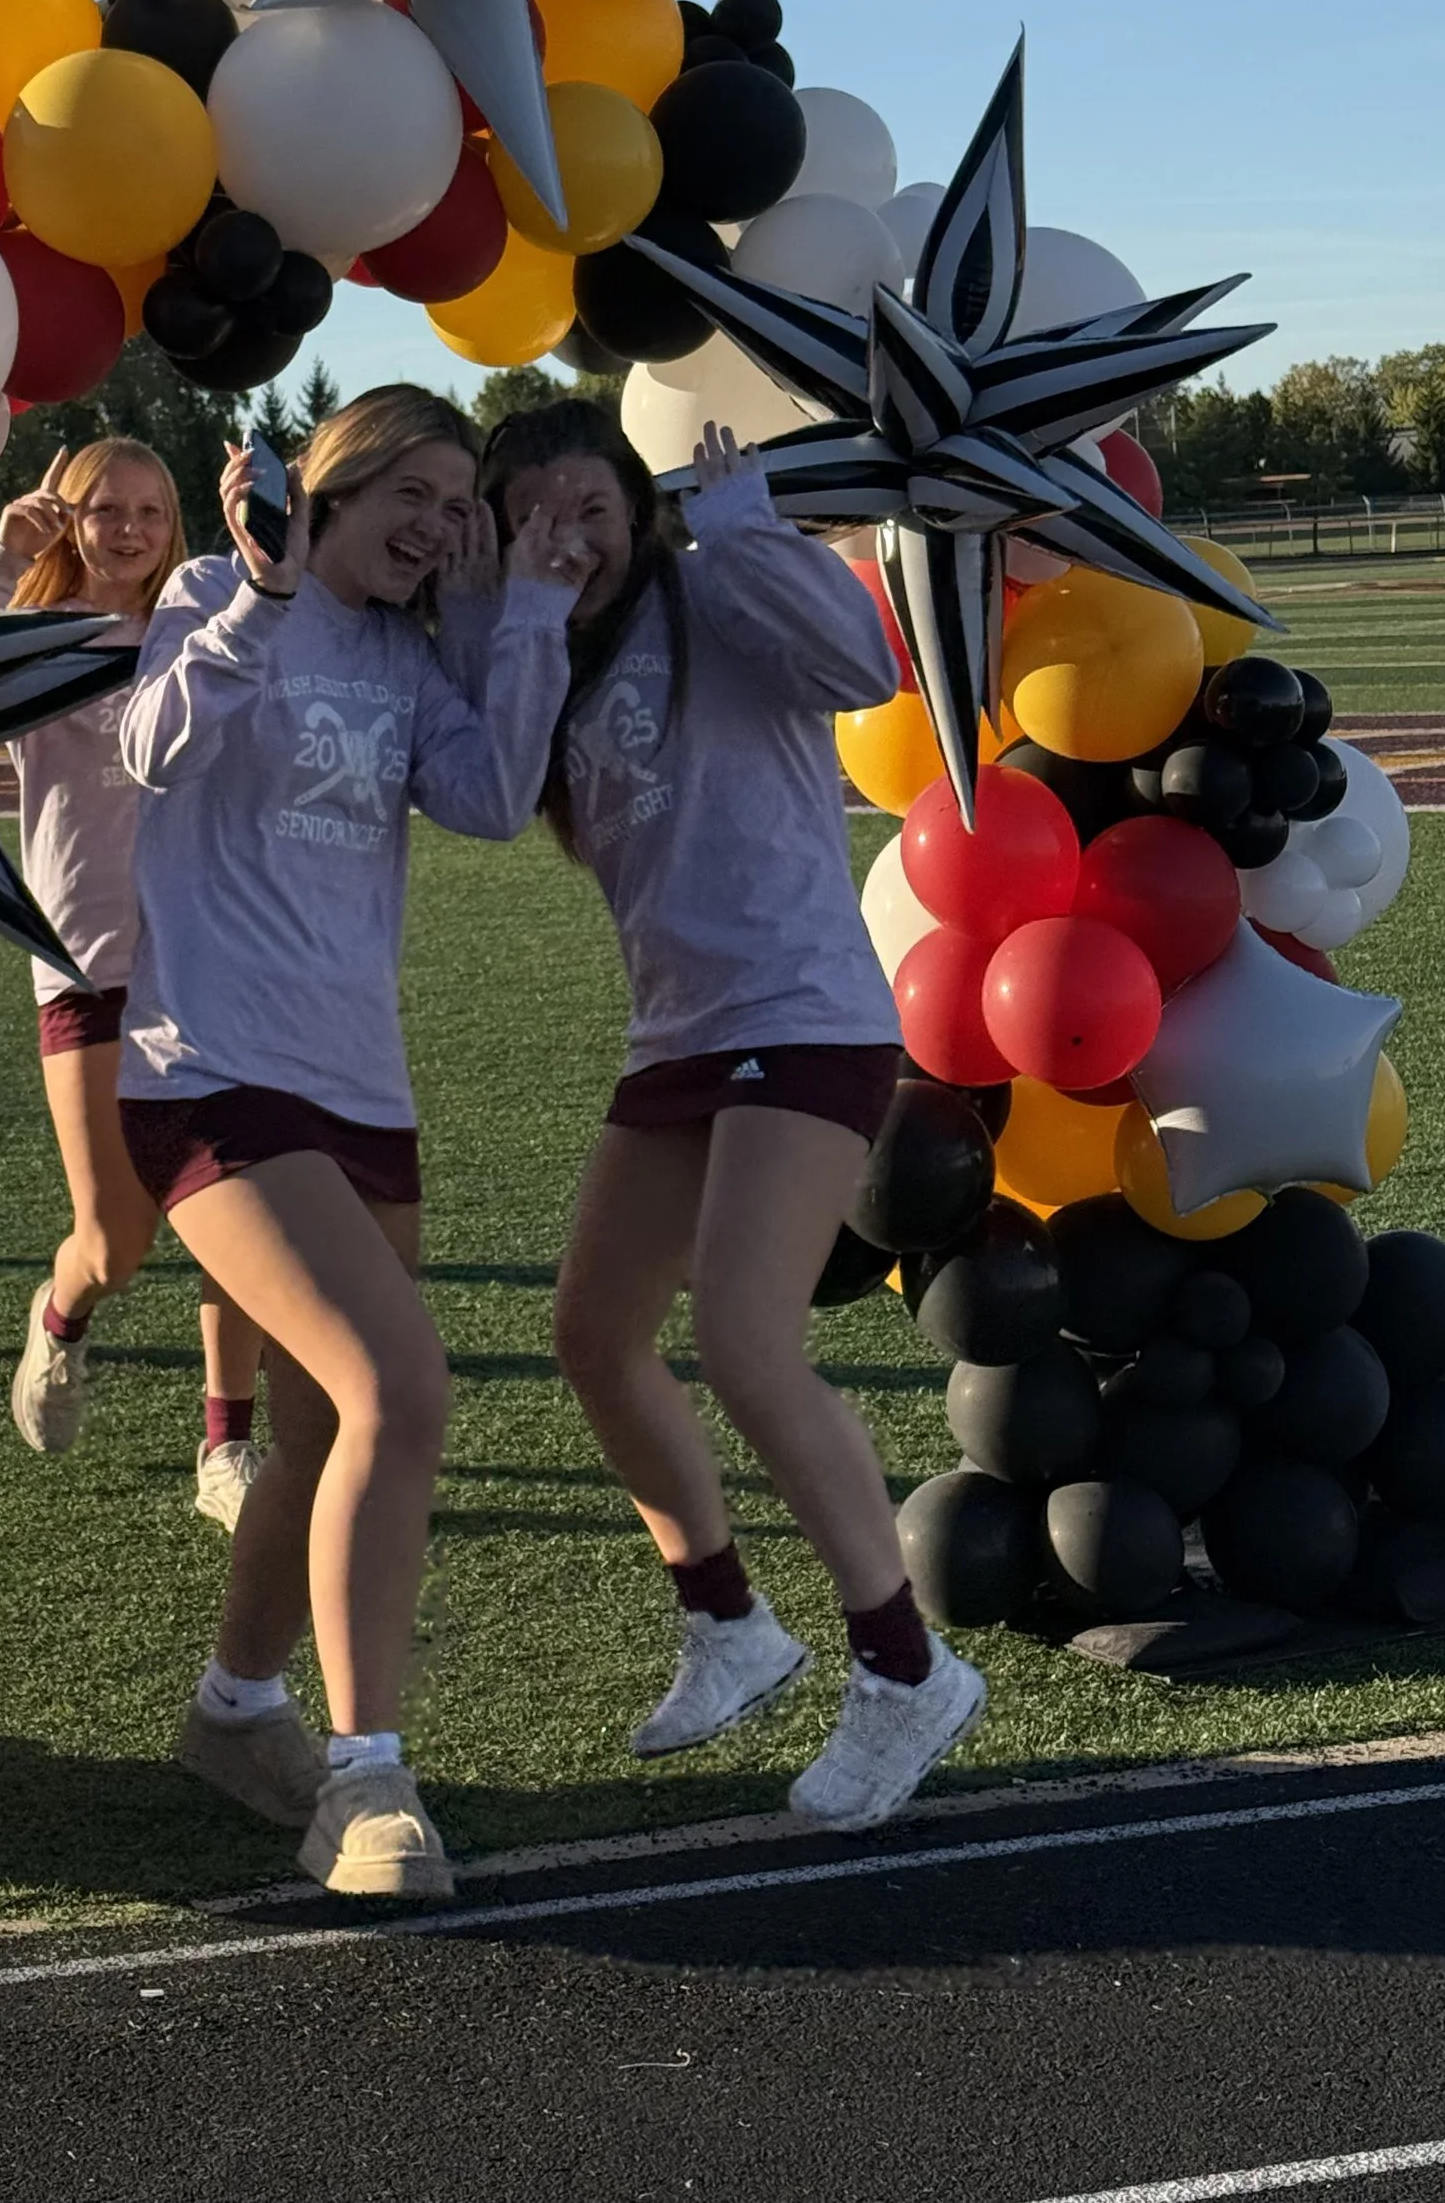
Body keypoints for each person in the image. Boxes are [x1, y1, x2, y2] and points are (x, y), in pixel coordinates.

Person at [475, 396, 985, 1835]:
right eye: (538, 516)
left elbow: (856, 660)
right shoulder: (551, 653)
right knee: (591, 1334)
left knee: (746, 1341)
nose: (568, 538)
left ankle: (906, 1667)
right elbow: (491, 787)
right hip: (683, 1037)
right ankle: (729, 1626)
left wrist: (747, 528)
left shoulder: (708, 590)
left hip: (804, 1018)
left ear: (639, 511)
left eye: (591, 508)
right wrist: (521, 605)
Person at [119, 385, 592, 1901]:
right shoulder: (214, 591)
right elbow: (148, 747)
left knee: (329, 1423)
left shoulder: (409, 653)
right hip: (210, 1072)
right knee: (399, 1384)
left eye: (461, 510)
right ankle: (365, 1778)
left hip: (360, 1089)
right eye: (424, 495)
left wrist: (516, 613)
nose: (441, 528)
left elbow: (491, 798)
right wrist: (258, 592)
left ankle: (233, 1711)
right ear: (342, 479)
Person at [0, 439, 269, 1531]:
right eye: (103, 510)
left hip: (203, 969)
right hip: (84, 965)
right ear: (68, 518)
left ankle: (225, 1447)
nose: (127, 529)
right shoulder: (39, 637)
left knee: (236, 1220)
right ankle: (59, 1314)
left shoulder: (196, 631)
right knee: (115, 1243)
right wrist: (2, 557)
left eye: (147, 509)